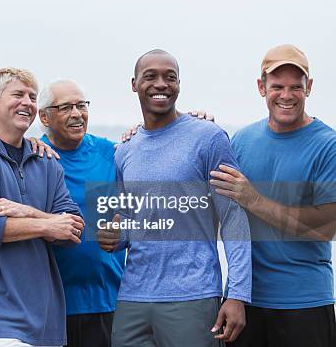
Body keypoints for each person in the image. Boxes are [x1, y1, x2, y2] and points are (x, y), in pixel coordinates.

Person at [98, 49, 252, 346]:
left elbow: (233, 217)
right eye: (150, 76)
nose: (161, 84)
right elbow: (132, 223)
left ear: (179, 84)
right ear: (134, 84)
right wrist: (113, 238)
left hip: (193, 296)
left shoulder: (209, 138)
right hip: (132, 298)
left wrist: (237, 294)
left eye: (170, 77)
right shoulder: (125, 151)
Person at [0, 67, 85, 347]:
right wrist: (47, 224)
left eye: (32, 97)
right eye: (18, 94)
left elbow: (73, 230)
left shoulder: (46, 160)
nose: (27, 103)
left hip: (46, 319)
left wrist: (29, 212)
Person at [209, 44, 336, 347]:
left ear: (310, 88)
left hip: (305, 303)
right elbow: (221, 217)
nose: (287, 95)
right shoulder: (242, 140)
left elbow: (324, 229)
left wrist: (253, 198)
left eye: (296, 87)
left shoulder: (327, 145)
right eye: (277, 86)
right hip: (245, 302)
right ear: (261, 87)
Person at [38, 79, 125, 347]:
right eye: (65, 107)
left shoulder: (110, 152)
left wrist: (195, 122)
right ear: (44, 116)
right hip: (48, 306)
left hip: (106, 301)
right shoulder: (33, 156)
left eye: (81, 105)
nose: (77, 114)